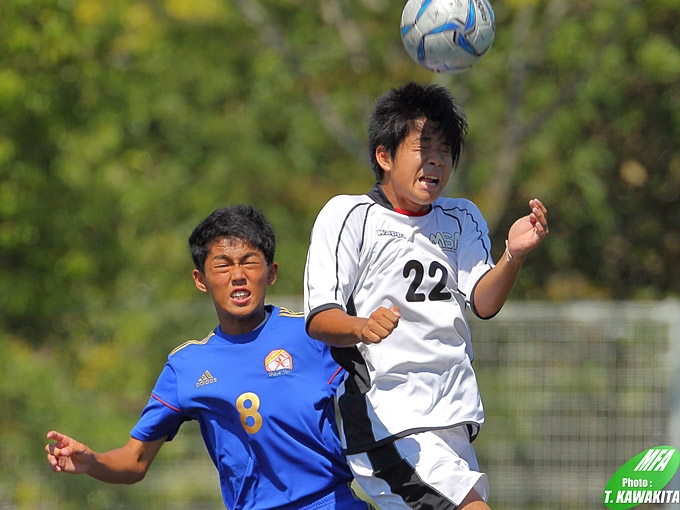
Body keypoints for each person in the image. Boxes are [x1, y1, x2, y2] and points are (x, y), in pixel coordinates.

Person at [303, 82, 550, 510]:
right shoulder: (348, 216)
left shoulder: (461, 217)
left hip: (454, 417)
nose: (436, 160)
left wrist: (513, 255)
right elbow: (319, 317)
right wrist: (361, 326)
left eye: (446, 151)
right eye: (423, 148)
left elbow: (484, 302)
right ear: (384, 155)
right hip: (390, 421)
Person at [46, 204, 371, 510]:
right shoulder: (186, 366)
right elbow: (135, 460)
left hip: (330, 502)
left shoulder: (312, 334)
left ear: (270, 273)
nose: (238, 275)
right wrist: (93, 462)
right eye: (223, 265)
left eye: (249, 261)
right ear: (201, 280)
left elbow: (385, 384)